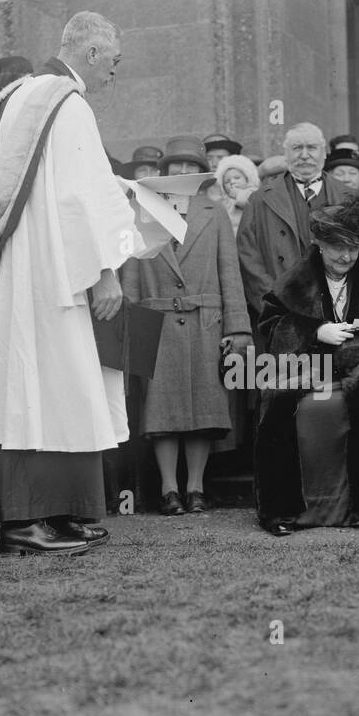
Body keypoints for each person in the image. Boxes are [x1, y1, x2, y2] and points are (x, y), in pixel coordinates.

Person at [0, 10, 141, 555]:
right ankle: (24, 519)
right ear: (89, 54)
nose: (116, 72)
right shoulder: (67, 102)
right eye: (113, 61)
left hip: (28, 260)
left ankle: (61, 511)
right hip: (51, 268)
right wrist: (105, 270)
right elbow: (79, 196)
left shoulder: (25, 93)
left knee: (57, 385)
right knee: (40, 385)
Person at [254, 195, 359, 534]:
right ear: (319, 245)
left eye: (353, 249)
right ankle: (281, 511)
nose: (345, 257)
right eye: (337, 249)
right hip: (304, 368)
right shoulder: (294, 280)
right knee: (280, 403)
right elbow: (270, 326)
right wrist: (316, 331)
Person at [121, 179, 251, 515]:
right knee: (160, 411)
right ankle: (169, 489)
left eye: (190, 167)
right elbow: (132, 272)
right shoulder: (142, 212)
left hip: (206, 323)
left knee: (204, 412)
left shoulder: (215, 212)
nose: (182, 172)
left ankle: (196, 487)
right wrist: (131, 324)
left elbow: (230, 273)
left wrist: (237, 328)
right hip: (157, 323)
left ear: (199, 176)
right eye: (175, 167)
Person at [237, 122, 353, 321]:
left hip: (337, 312)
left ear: (324, 153)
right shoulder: (260, 199)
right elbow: (248, 257)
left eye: (312, 148)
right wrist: (274, 304)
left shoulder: (349, 197)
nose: (304, 155)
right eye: (297, 148)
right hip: (281, 311)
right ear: (286, 155)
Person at [213, 152, 259, 236]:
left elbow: (250, 203)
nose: (232, 182)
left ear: (247, 178)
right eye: (227, 181)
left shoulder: (254, 193)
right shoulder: (223, 201)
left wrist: (238, 194)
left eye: (237, 178)